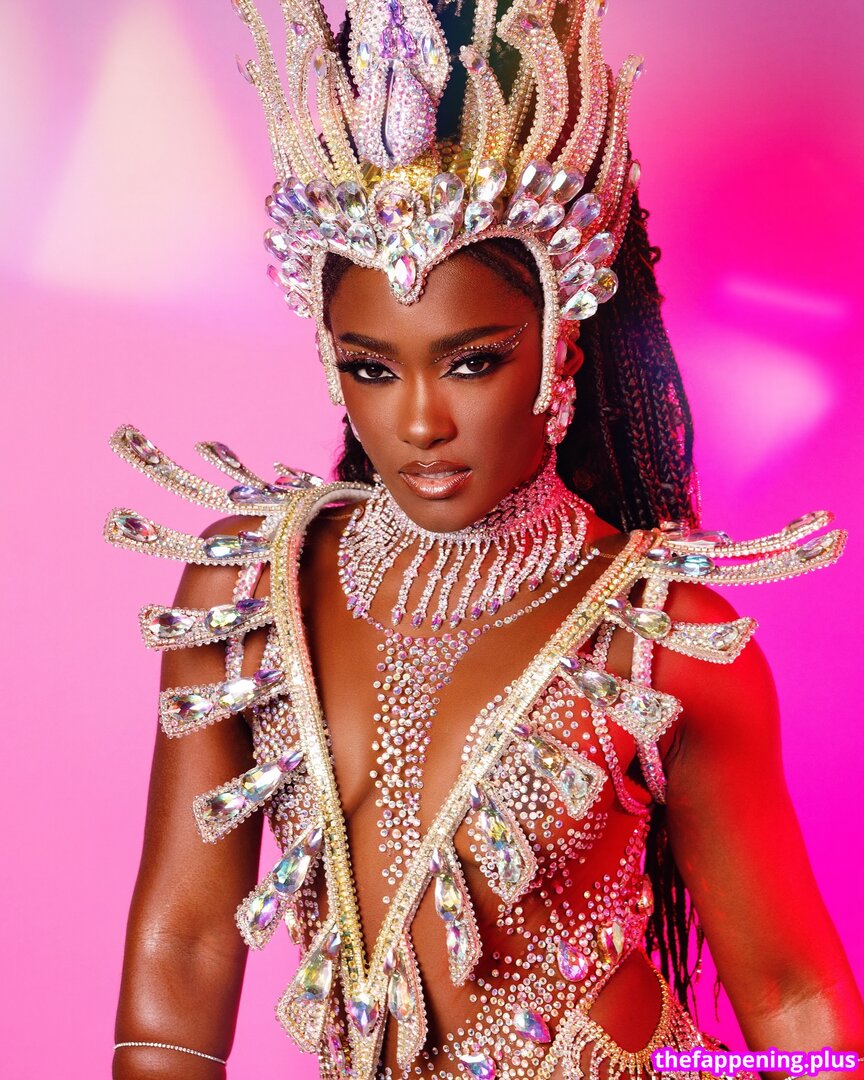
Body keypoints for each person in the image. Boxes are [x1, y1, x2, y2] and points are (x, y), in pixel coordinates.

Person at [106, 0, 864, 1077]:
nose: (420, 421)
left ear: (561, 348)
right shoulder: (250, 592)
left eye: (471, 362)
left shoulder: (664, 641)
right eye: (372, 368)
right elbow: (182, 950)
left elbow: (793, 993)